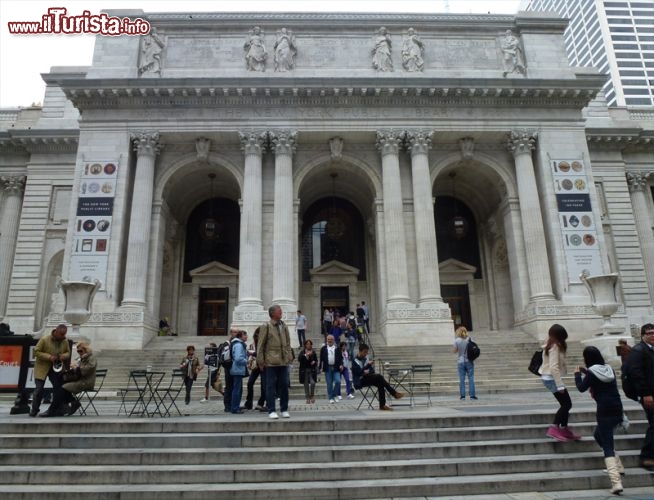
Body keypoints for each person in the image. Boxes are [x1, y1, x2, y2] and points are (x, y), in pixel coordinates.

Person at [574, 346, 624, 495]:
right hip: (617, 407)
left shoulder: (591, 373)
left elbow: (581, 387)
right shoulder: (609, 369)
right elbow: (599, 377)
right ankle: (618, 467)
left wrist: (577, 374)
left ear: (587, 358)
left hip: (604, 410)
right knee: (598, 434)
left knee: (608, 445)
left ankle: (616, 482)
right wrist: (585, 372)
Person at [539, 323, 581, 441]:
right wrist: (560, 385)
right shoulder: (555, 346)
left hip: (549, 378)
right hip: (551, 378)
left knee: (566, 404)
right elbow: (553, 367)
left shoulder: (551, 343)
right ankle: (554, 428)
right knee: (567, 404)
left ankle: (564, 428)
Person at [256, 304, 293, 419]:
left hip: (283, 361)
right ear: (273, 313)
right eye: (279, 311)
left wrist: (290, 356)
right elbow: (260, 345)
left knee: (284, 385)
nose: (281, 312)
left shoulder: (284, 326)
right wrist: (260, 361)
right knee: (270, 386)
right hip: (270, 361)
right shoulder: (266, 326)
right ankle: (271, 409)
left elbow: (287, 343)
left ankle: (284, 409)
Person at [628, 323, 654, 471]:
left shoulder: (650, 350)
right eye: (649, 333)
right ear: (643, 335)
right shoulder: (639, 351)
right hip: (649, 395)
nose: (652, 335)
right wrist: (645, 394)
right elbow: (637, 375)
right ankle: (646, 457)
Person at [31, 324, 70, 417]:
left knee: (58, 388)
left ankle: (58, 408)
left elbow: (68, 352)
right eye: (61, 334)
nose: (63, 337)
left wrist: (63, 356)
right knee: (39, 389)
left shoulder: (64, 341)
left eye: (64, 334)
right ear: (55, 332)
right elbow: (36, 351)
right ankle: (34, 409)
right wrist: (49, 357)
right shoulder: (44, 339)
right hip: (42, 367)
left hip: (55, 368)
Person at [352, 343, 404, 411]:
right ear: (360, 351)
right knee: (379, 377)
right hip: (360, 381)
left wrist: (366, 371)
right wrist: (366, 367)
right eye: (365, 352)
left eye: (367, 352)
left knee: (380, 383)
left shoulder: (366, 359)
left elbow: (372, 371)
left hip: (367, 378)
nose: (366, 354)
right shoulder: (355, 361)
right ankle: (394, 394)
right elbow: (358, 373)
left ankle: (383, 405)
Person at [61, 341, 97, 416]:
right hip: (81, 380)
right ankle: (66, 405)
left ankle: (74, 403)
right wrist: (73, 368)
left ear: (86, 349)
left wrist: (77, 368)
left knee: (64, 388)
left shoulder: (91, 357)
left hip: (86, 382)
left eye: (80, 351)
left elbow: (90, 368)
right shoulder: (82, 358)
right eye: (78, 351)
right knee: (62, 384)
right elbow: (79, 371)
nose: (79, 353)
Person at [453, 326, 477, 400]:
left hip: (460, 361)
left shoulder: (457, 340)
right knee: (471, 378)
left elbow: (454, 351)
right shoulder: (470, 339)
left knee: (462, 379)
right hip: (469, 361)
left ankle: (462, 396)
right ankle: (472, 396)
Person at [244, 329, 266, 411]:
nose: (257, 337)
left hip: (264, 365)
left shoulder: (265, 343)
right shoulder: (253, 344)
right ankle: (249, 403)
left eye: (258, 335)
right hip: (256, 366)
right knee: (250, 383)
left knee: (264, 385)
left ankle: (261, 403)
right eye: (256, 335)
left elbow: (264, 353)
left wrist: (253, 353)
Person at [319, 334, 343, 403]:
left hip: (336, 367)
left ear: (333, 340)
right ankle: (330, 398)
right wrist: (320, 367)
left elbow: (340, 358)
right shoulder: (323, 349)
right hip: (328, 367)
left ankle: (334, 395)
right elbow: (321, 359)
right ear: (327, 340)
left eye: (331, 339)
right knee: (329, 383)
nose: (330, 341)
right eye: (328, 339)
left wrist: (341, 365)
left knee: (338, 381)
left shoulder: (337, 348)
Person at [230, 331, 248, 414]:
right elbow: (238, 358)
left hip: (238, 369)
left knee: (238, 389)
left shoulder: (238, 344)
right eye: (245, 335)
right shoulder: (238, 345)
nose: (247, 337)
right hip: (237, 369)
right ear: (241, 336)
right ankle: (234, 408)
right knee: (237, 389)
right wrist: (246, 361)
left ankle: (236, 406)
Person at [222, 328, 238, 413]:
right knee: (228, 387)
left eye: (237, 332)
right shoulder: (227, 343)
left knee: (234, 386)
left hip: (236, 368)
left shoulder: (237, 342)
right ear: (231, 333)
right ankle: (227, 406)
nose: (236, 333)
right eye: (234, 332)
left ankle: (233, 404)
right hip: (228, 368)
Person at [298, 339, 318, 404]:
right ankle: (307, 397)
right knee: (306, 384)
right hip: (304, 370)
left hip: (312, 370)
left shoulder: (313, 352)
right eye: (307, 344)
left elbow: (316, 360)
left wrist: (314, 362)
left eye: (309, 344)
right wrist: (306, 355)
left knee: (313, 383)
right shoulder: (302, 352)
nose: (308, 345)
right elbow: (299, 359)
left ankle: (312, 395)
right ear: (305, 345)